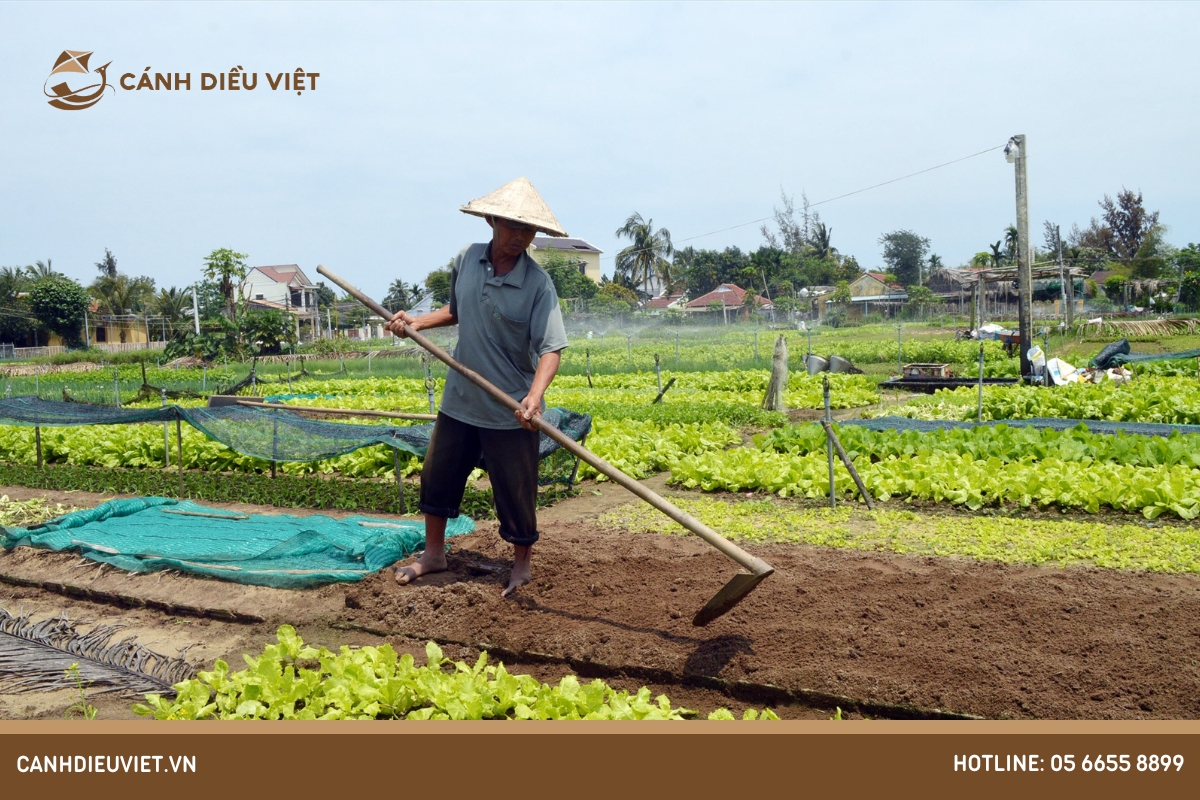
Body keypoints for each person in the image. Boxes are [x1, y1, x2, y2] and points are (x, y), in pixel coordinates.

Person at [384, 177, 569, 597]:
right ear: (490, 220)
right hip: (460, 401)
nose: (520, 237)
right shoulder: (467, 260)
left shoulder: (538, 285)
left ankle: (521, 566)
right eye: (512, 227)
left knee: (516, 490)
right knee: (438, 475)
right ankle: (434, 553)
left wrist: (535, 396)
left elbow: (552, 347)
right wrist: (416, 322)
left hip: (510, 409)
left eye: (529, 230)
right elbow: (456, 309)